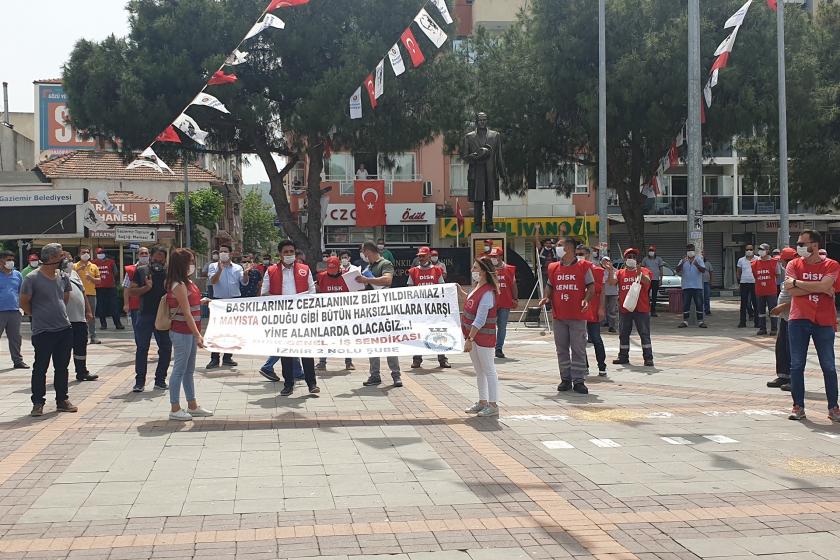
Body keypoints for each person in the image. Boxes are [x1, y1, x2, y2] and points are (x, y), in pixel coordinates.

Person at [783, 230, 840, 422]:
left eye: (801, 243)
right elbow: (791, 291)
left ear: (814, 245)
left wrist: (799, 283)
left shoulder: (831, 265)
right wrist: (819, 287)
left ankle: (833, 407)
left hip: (824, 321)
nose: (798, 246)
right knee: (797, 365)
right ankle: (798, 406)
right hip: (799, 319)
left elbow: (825, 286)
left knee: (829, 366)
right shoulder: (793, 264)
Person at [19, 243, 77, 417]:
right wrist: (36, 315)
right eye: (60, 256)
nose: (63, 258)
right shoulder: (32, 278)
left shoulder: (62, 276)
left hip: (64, 328)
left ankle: (62, 400)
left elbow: (65, 297)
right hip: (43, 331)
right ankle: (38, 402)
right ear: (51, 258)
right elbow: (23, 301)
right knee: (40, 368)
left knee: (62, 367)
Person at [258, 240, 321, 396]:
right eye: (285, 252)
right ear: (280, 254)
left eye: (291, 251)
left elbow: (312, 292)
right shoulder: (271, 270)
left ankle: (311, 384)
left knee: (306, 350)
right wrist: (281, 301)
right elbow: (264, 293)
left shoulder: (304, 269)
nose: (289, 254)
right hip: (282, 318)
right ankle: (288, 384)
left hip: (302, 316)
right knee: (286, 352)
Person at [539, 238, 595, 394]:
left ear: (569, 248)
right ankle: (565, 379)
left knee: (578, 349)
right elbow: (550, 286)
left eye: (559, 246)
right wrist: (546, 297)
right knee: (561, 349)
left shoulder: (583, 266)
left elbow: (591, 286)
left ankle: (579, 380)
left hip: (577, 315)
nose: (557, 248)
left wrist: (586, 299)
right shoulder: (554, 267)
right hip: (559, 315)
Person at [165, 248, 213, 421]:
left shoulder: (186, 282)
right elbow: (186, 312)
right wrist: (197, 335)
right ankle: (175, 408)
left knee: (188, 370)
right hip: (182, 332)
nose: (193, 264)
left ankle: (192, 405)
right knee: (179, 370)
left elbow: (189, 303)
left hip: (189, 333)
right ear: (182, 264)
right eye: (191, 261)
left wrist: (202, 301)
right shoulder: (178, 284)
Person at [357, 241, 402, 387]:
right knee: (372, 343)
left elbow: (387, 280)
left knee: (389, 342)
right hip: (371, 311)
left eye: (364, 252)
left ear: (368, 251)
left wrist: (367, 280)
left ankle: (396, 375)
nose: (363, 255)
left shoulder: (385, 263)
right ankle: (374, 375)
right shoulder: (368, 267)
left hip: (385, 310)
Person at [127, 246, 172, 393]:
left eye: (161, 257)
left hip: (163, 315)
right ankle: (139, 382)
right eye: (156, 257)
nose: (158, 260)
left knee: (165, 348)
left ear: (165, 259)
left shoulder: (169, 273)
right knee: (142, 348)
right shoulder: (141, 271)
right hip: (145, 314)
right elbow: (132, 291)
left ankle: (160, 380)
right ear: (151, 257)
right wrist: (146, 288)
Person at [463, 257, 500, 416]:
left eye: (476, 268)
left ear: (484, 271)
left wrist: (470, 339)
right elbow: (472, 302)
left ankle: (493, 405)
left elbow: (480, 318)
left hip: (483, 337)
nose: (473, 271)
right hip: (474, 337)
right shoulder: (478, 287)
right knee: (479, 371)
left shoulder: (488, 292)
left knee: (489, 370)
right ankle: (482, 401)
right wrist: (460, 293)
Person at [610, 248, 654, 367]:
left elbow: (647, 282)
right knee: (623, 333)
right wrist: (609, 270)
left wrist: (639, 273)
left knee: (644, 333)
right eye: (629, 257)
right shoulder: (620, 273)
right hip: (625, 309)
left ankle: (648, 358)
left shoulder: (644, 270)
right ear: (625, 259)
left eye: (634, 257)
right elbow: (611, 282)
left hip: (641, 308)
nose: (632, 259)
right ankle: (623, 356)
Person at [407, 247, 450, 369]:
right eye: (419, 256)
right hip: (419, 309)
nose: (420, 258)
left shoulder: (437, 270)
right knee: (418, 333)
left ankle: (442, 359)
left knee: (438, 333)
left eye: (423, 256)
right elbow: (409, 289)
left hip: (434, 309)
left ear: (429, 257)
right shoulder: (413, 271)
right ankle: (417, 359)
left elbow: (442, 288)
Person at [206, 245, 248, 369]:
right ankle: (214, 358)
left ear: (230, 253)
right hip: (219, 301)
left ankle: (228, 357)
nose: (223, 253)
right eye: (221, 251)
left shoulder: (237, 267)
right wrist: (220, 270)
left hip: (234, 301)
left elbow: (244, 282)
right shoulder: (213, 266)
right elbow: (213, 281)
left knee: (232, 330)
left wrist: (245, 274)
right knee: (217, 330)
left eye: (225, 251)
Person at [315, 256, 355, 372]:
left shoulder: (346, 277)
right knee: (325, 338)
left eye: (334, 270)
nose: (331, 273)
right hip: (327, 314)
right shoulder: (321, 277)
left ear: (339, 268)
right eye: (329, 270)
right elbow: (316, 290)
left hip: (344, 313)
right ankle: (322, 362)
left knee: (346, 337)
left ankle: (349, 362)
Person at [63, 254, 98, 382]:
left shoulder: (74, 274)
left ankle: (82, 371)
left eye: (71, 260)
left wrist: (88, 311)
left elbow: (83, 292)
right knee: (64, 348)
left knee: (81, 346)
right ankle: (62, 373)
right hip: (65, 319)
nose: (70, 262)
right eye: (66, 260)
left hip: (79, 318)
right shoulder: (56, 275)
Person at [768, 247, 798, 392]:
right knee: (781, 348)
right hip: (785, 317)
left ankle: (795, 379)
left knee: (793, 349)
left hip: (795, 317)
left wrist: (782, 307)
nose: (783, 264)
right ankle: (783, 376)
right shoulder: (788, 273)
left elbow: (801, 298)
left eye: (784, 261)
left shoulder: (798, 274)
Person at [580, 246, 607, 375]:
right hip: (578, 312)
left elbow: (601, 291)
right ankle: (584, 366)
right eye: (578, 254)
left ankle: (602, 365)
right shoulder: (573, 270)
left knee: (596, 338)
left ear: (589, 255)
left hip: (593, 309)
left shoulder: (597, 271)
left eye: (583, 254)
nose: (580, 256)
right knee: (580, 340)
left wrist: (601, 308)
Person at [489, 246, 517, 359]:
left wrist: (515, 298)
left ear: (501, 256)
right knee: (490, 325)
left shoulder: (509, 269)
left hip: (505, 302)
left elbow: (513, 285)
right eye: (492, 257)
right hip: (491, 302)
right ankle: (489, 346)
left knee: (502, 326)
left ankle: (498, 348)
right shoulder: (488, 269)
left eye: (495, 256)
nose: (493, 258)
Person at [0, 250, 27, 369]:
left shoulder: (17, 275)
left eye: (12, 259)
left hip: (14, 311)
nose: (10, 262)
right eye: (8, 260)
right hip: (0, 311)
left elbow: (21, 291)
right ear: (1, 261)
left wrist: (23, 307)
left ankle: (18, 361)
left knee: (15, 338)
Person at [752, 243, 783, 336]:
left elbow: (778, 274)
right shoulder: (754, 263)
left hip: (771, 291)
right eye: (759, 249)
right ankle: (762, 328)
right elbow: (755, 275)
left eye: (762, 249)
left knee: (772, 310)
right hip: (759, 290)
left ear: (768, 250)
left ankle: (774, 328)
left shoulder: (774, 262)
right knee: (760, 310)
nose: (760, 251)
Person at [675, 244, 707, 328]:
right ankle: (685, 321)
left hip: (697, 286)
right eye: (688, 250)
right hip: (686, 286)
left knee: (699, 304)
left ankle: (700, 321)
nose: (690, 251)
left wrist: (696, 264)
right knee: (686, 304)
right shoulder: (683, 260)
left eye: (691, 249)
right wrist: (682, 263)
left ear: (694, 250)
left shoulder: (699, 259)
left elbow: (703, 270)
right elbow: (677, 270)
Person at [74, 248, 101, 344]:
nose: (86, 254)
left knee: (92, 316)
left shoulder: (93, 266)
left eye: (87, 252)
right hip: (78, 295)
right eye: (83, 252)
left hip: (91, 294)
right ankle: (82, 337)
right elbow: (70, 277)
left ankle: (93, 336)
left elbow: (99, 280)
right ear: (79, 254)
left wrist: (91, 278)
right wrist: (78, 270)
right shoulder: (74, 266)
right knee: (80, 316)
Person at [93, 248, 123, 330]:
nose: (100, 254)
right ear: (96, 254)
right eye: (99, 253)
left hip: (110, 287)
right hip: (99, 288)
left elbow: (115, 272)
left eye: (102, 252)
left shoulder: (111, 262)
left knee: (114, 306)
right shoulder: (93, 263)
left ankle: (118, 324)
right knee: (101, 307)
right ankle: (103, 324)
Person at [123, 247, 148, 341]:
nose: (144, 255)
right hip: (136, 305)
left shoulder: (154, 268)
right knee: (138, 330)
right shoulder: (131, 270)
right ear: (138, 255)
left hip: (152, 305)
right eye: (142, 253)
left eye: (146, 253)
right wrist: (126, 304)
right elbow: (126, 288)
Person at [737, 244, 758, 328]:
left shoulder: (757, 259)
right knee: (744, 303)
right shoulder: (741, 260)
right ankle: (742, 322)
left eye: (750, 249)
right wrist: (739, 281)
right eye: (747, 249)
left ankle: (757, 322)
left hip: (755, 283)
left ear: (753, 250)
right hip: (744, 283)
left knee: (756, 303)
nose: (749, 251)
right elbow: (738, 271)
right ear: (745, 250)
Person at [642, 246, 664, 317]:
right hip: (647, 279)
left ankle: (653, 311)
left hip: (655, 279)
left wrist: (661, 279)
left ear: (655, 251)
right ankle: (646, 310)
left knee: (654, 296)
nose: (651, 251)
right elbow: (642, 269)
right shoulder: (645, 259)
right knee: (646, 295)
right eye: (650, 250)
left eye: (652, 250)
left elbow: (661, 269)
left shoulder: (659, 259)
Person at [601, 256, 618, 333]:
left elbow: (612, 282)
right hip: (604, 293)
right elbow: (605, 281)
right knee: (604, 309)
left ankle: (612, 326)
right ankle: (605, 322)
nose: (605, 263)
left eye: (607, 261)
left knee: (612, 310)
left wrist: (610, 271)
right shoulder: (601, 271)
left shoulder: (615, 271)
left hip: (613, 293)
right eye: (604, 261)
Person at [701, 251, 713, 316]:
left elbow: (711, 272)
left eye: (703, 253)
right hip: (699, 283)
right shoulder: (697, 263)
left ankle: (707, 310)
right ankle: (701, 310)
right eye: (701, 254)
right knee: (700, 297)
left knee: (707, 297)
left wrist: (711, 281)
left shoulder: (708, 263)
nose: (702, 255)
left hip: (706, 283)